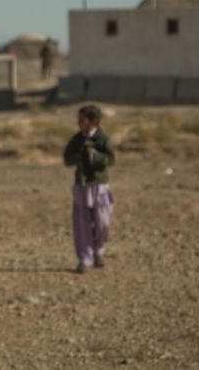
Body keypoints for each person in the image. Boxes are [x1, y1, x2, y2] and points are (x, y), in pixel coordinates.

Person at [63, 105, 115, 274]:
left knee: (102, 221)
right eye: (78, 119)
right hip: (81, 186)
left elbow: (111, 159)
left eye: (82, 120)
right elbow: (67, 159)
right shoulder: (77, 139)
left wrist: (96, 157)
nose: (79, 123)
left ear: (94, 122)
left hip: (99, 185)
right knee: (82, 224)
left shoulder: (102, 138)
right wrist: (79, 157)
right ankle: (85, 258)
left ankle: (99, 250)